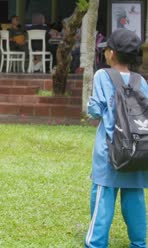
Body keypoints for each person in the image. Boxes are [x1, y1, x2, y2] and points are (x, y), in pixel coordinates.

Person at [85, 29, 148, 247]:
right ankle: (139, 243)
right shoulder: (140, 80)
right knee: (134, 197)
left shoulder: (102, 75)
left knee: (103, 197)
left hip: (110, 151)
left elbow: (94, 110)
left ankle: (96, 243)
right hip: (137, 149)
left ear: (111, 53)